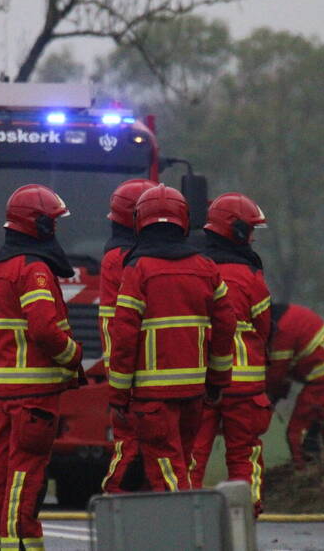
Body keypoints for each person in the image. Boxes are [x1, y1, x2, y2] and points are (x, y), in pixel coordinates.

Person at [0, 184, 84, 551]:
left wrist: (12, 352)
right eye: (52, 222)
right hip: (35, 398)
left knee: (0, 473)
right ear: (39, 226)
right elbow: (43, 329)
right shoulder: (33, 270)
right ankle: (19, 544)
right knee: (27, 473)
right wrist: (72, 355)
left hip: (6, 393)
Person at [107, 184, 236, 492]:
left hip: (152, 396)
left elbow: (124, 336)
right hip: (193, 392)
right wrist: (217, 380)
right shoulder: (206, 267)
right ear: (184, 219)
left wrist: (118, 395)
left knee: (166, 469)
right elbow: (226, 323)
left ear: (140, 220)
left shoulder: (137, 270)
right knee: (182, 462)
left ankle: (181, 534)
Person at [188, 193, 273, 514]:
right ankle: (244, 521)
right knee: (244, 456)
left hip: (202, 381)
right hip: (245, 387)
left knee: (193, 456)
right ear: (236, 231)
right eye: (250, 229)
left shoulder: (193, 268)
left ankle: (190, 521)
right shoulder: (250, 275)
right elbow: (264, 327)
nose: (251, 237)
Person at [98, 178, 156, 494]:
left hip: (129, 367)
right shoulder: (127, 260)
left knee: (139, 449)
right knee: (133, 448)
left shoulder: (116, 256)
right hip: (135, 369)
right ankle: (117, 510)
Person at [264, 303, 324, 471]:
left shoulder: (281, 332)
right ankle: (323, 470)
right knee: (312, 430)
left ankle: (306, 477)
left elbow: (275, 378)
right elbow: (279, 378)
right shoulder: (283, 317)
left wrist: (263, 405)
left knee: (298, 433)